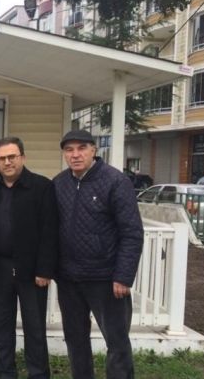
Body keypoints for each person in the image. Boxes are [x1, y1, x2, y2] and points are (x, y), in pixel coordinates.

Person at [53, 129, 143, 379]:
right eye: (69, 150)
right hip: (69, 279)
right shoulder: (59, 184)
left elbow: (132, 232)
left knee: (116, 341)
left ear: (94, 150)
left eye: (81, 148)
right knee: (75, 340)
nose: (75, 154)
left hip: (106, 279)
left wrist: (123, 276)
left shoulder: (116, 182)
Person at [0, 137, 58, 379]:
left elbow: (50, 231)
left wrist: (45, 269)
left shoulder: (42, 187)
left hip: (32, 270)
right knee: (1, 326)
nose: (7, 162)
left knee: (35, 328)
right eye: (2, 158)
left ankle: (38, 374)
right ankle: (4, 372)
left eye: (12, 157)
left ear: (22, 157)